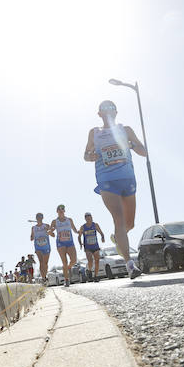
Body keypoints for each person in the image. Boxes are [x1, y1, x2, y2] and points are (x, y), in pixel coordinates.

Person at [83, 100, 148, 279]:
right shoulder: (94, 133)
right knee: (118, 219)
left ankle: (118, 237)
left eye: (112, 108)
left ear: (117, 112)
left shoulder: (125, 130)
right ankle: (130, 265)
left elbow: (144, 151)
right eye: (105, 109)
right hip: (107, 180)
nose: (109, 111)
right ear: (99, 114)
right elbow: (85, 155)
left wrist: (132, 145)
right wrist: (92, 156)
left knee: (129, 224)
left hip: (127, 179)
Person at [50, 204, 79, 286]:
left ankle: (68, 268)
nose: (61, 211)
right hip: (60, 243)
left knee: (74, 260)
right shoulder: (54, 221)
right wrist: (50, 232)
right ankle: (66, 280)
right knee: (64, 262)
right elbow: (51, 232)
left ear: (64, 211)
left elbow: (74, 229)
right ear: (57, 211)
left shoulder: (69, 220)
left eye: (62, 210)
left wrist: (79, 232)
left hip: (70, 242)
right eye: (59, 210)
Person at [78, 211, 106, 282]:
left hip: (95, 246)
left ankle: (96, 276)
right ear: (85, 219)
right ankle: (89, 271)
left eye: (90, 218)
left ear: (92, 218)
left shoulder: (95, 225)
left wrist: (102, 237)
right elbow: (79, 236)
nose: (89, 219)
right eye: (87, 218)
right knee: (90, 260)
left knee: (97, 261)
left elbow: (101, 233)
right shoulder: (83, 227)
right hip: (88, 247)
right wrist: (80, 243)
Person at [30, 213, 53, 283]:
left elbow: (53, 234)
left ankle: (44, 276)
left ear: (42, 218)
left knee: (45, 263)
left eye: (40, 217)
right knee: (41, 262)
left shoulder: (46, 225)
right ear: (36, 218)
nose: (39, 218)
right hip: (38, 247)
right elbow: (31, 238)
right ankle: (43, 278)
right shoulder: (33, 228)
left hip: (46, 246)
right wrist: (33, 235)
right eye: (37, 217)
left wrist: (49, 231)